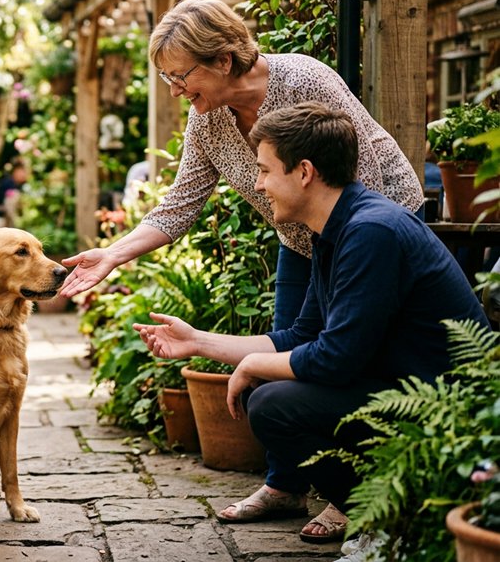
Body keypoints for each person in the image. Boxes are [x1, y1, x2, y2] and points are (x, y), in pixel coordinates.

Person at [58, 0, 424, 540]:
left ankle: (355, 494)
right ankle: (284, 483)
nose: (177, 90)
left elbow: (354, 186)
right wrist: (114, 254)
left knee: (349, 360)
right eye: (168, 80)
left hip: (370, 233)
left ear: (223, 61)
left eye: (181, 76)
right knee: (285, 346)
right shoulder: (207, 121)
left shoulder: (305, 81)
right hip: (300, 239)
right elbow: (180, 202)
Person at [133, 103, 490, 557]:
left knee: (272, 404)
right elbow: (302, 337)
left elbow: (335, 359)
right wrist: (197, 341)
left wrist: (255, 365)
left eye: (264, 170)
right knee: (270, 392)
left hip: (445, 410)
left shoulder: (369, 232)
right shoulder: (335, 229)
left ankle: (396, 520)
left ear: (304, 172)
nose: (258, 185)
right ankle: (386, 513)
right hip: (398, 387)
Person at [0, 157, 29, 229]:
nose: (24, 174)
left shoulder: (21, 186)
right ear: (15, 171)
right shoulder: (7, 183)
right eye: (22, 171)